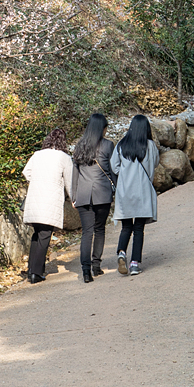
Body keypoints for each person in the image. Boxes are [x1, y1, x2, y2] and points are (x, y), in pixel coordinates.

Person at [22, 127, 74, 283]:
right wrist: (73, 199)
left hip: (35, 197)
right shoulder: (64, 157)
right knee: (45, 235)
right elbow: (70, 181)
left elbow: (26, 172)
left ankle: (31, 269)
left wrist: (38, 180)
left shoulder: (37, 155)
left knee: (37, 234)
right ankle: (36, 273)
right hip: (50, 199)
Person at [110, 114, 159, 276]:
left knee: (126, 227)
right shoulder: (150, 145)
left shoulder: (122, 144)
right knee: (138, 229)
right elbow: (155, 163)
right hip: (143, 192)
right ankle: (135, 263)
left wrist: (125, 174)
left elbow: (114, 166)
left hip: (125, 193)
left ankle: (122, 253)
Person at [72, 112, 115, 283]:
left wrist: (74, 195)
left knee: (86, 233)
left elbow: (74, 173)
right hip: (102, 194)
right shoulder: (107, 145)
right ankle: (96, 265)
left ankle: (85, 270)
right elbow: (112, 170)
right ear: (102, 128)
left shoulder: (79, 146)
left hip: (83, 195)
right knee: (99, 229)